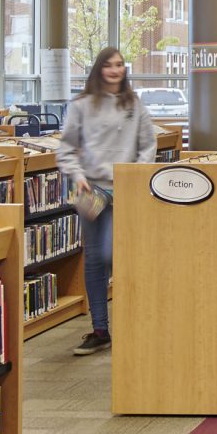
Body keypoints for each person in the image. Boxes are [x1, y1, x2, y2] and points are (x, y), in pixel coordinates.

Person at [55, 47, 155, 357]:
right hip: (91, 191)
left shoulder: (134, 105)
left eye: (120, 65)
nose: (115, 70)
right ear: (99, 69)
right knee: (95, 259)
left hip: (124, 189)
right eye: (109, 65)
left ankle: (134, 319)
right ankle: (100, 329)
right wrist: (76, 174)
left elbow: (148, 146)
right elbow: (67, 149)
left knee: (114, 252)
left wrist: (134, 176)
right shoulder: (82, 105)